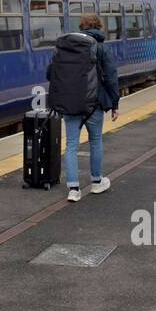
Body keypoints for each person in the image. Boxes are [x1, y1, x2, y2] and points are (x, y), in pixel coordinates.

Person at [45, 13, 121, 202]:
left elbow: (50, 74)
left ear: (82, 27)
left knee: (71, 145)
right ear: (99, 27)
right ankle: (97, 183)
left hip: (70, 104)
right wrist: (115, 103)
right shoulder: (101, 48)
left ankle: (73, 189)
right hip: (93, 105)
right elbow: (111, 78)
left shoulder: (65, 49)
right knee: (95, 141)